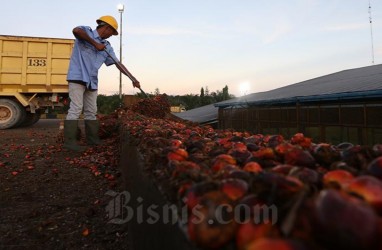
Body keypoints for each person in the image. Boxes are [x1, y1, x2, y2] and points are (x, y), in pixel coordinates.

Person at [63, 15, 140, 151]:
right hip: (78, 77)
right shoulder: (86, 31)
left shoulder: (107, 47)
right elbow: (75, 31)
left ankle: (93, 140)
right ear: (106, 28)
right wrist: (95, 43)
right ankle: (70, 142)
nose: (111, 36)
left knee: (91, 111)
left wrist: (132, 78)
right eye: (112, 33)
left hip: (92, 80)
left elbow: (117, 63)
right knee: (75, 108)